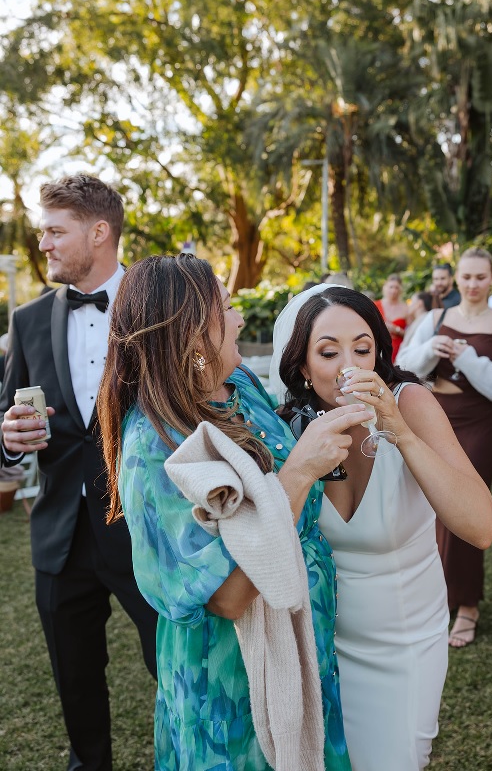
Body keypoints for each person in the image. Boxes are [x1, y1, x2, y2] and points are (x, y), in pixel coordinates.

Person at [97, 255, 367, 769]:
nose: (240, 318)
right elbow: (226, 596)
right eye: (225, 309)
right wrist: (300, 472)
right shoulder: (152, 446)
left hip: (303, 635)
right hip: (231, 669)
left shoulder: (240, 383)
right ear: (193, 335)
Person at [270, 284, 492, 770]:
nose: (348, 364)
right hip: (322, 644)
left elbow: (480, 528)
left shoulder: (410, 402)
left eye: (362, 348)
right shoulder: (289, 429)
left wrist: (400, 431)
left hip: (405, 643)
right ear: (304, 368)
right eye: (328, 352)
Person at [0, 173, 159, 771]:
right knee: (75, 679)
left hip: (150, 533)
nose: (43, 243)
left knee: (176, 666)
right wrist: (8, 440)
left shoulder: (160, 306)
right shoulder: (28, 320)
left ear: (99, 232)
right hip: (61, 538)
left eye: (54, 231)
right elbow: (7, 420)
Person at [397, 247, 492, 647]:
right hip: (434, 418)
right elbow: (401, 364)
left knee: (468, 509)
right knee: (427, 506)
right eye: (466, 277)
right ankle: (434, 593)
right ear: (457, 278)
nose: (473, 285)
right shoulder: (435, 319)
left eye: (480, 277)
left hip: (479, 424)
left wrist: (469, 359)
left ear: (491, 278)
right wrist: (427, 351)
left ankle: (468, 604)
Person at [375, 273, 408, 362]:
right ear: (385, 287)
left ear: (400, 289)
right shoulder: (375, 305)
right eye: (391, 287)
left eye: (396, 287)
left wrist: (396, 329)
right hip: (378, 350)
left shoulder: (406, 309)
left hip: (399, 352)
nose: (393, 290)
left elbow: (411, 335)